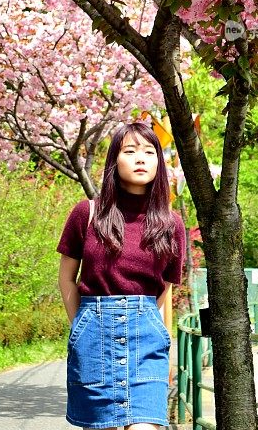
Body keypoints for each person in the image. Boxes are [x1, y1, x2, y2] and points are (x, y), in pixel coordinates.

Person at [57, 120, 186, 430]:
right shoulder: (86, 214)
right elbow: (66, 279)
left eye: (149, 152)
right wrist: (82, 326)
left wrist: (166, 347)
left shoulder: (171, 224)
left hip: (146, 341)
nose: (140, 158)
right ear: (114, 161)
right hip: (93, 339)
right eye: (130, 151)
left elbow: (164, 290)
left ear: (159, 162)